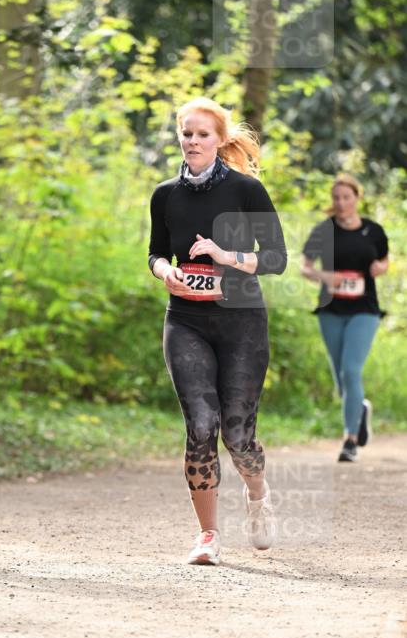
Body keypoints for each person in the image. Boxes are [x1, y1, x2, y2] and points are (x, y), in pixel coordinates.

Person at [148, 97, 287, 566]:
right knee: (201, 426)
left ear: (219, 140)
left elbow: (276, 259)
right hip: (185, 319)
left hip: (242, 322)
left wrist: (226, 257)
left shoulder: (247, 191)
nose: (191, 141)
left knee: (238, 434)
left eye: (201, 134)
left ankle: (257, 494)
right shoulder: (165, 194)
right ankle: (208, 534)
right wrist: (164, 271)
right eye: (186, 133)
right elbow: (155, 252)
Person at [301, 173, 388, 462]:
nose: (341, 203)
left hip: (365, 309)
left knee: (351, 371)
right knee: (341, 380)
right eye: (336, 198)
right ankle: (359, 407)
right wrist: (327, 276)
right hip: (331, 310)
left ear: (356, 198)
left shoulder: (373, 231)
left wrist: (380, 267)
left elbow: (384, 260)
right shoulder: (323, 230)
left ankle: (350, 440)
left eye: (346, 197)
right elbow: (305, 267)